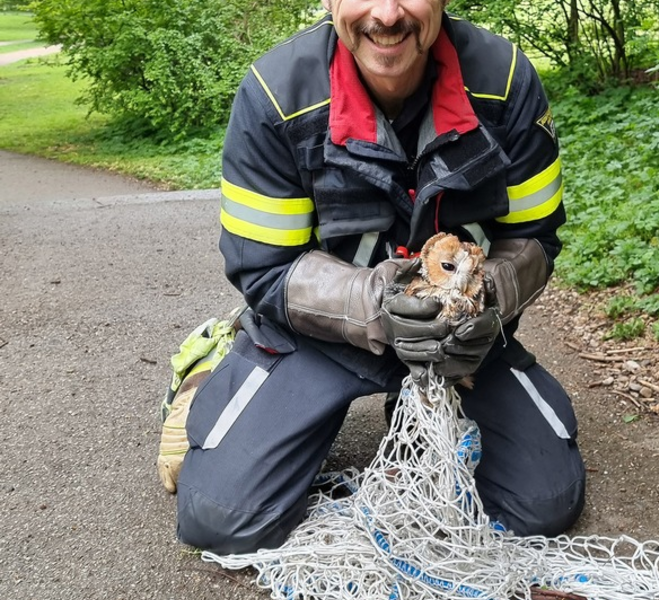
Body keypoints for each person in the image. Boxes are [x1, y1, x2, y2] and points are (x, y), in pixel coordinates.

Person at [175, 0, 585, 554]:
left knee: (545, 506)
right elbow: (263, 267)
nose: (387, 14)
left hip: (461, 343)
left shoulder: (504, 79)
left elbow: (537, 239)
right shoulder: (275, 94)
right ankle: (206, 371)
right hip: (315, 336)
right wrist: (384, 305)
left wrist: (484, 299)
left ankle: (414, 411)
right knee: (223, 521)